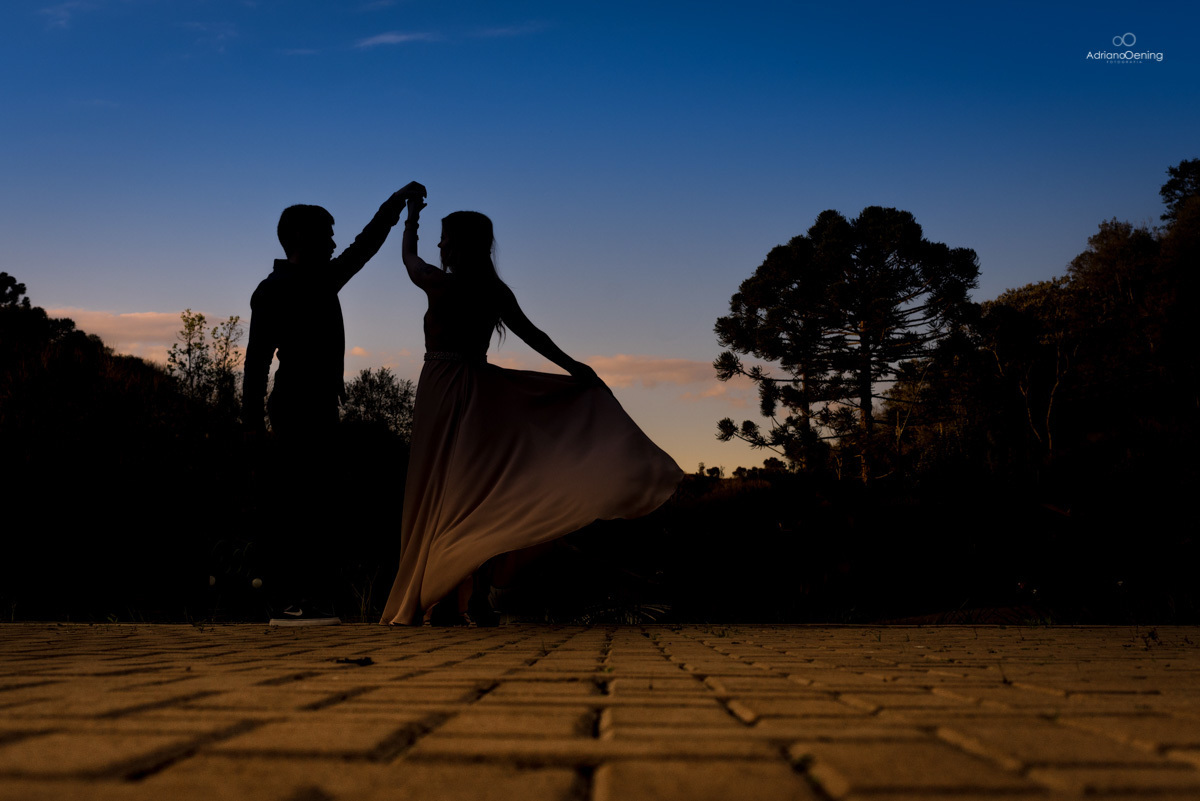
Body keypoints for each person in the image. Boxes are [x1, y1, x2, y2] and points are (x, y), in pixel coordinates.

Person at [380, 191, 683, 626]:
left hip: (444, 392)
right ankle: (464, 594)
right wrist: (577, 369)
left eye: (445, 239)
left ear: (460, 245)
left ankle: (448, 596)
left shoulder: (440, 283)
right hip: (479, 392)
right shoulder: (492, 290)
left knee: (441, 492)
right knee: (472, 492)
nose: (440, 247)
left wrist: (411, 218)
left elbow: (408, 257)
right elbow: (535, 336)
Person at [242, 183, 424, 626]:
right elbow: (255, 361)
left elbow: (364, 244)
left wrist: (396, 203)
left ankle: (309, 602)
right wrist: (250, 427)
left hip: (314, 405)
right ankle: (293, 604)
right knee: (301, 506)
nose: (334, 242)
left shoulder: (311, 281)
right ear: (302, 239)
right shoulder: (281, 289)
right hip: (296, 407)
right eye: (327, 234)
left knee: (316, 504)